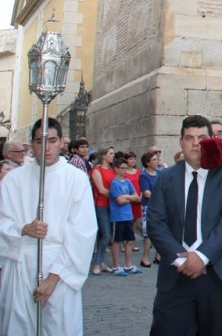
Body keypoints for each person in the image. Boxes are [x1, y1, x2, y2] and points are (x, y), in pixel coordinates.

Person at [148, 114, 222, 336]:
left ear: (211, 141)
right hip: (176, 275)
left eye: (202, 137)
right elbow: (156, 222)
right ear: (181, 142)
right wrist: (180, 259)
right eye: (189, 137)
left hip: (220, 275)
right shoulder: (166, 177)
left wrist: (202, 256)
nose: (196, 143)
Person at [0, 117, 97, 335]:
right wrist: (23, 229)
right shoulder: (13, 180)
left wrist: (54, 278)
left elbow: (83, 231)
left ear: (61, 142)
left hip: (60, 268)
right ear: (31, 144)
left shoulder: (76, 179)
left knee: (58, 328)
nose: (46, 147)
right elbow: (2, 220)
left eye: (52, 140)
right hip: (20, 265)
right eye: (39, 141)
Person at [109, 154, 142, 276]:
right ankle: (116, 266)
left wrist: (126, 197)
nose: (124, 170)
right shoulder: (115, 183)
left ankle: (128, 265)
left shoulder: (128, 181)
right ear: (116, 169)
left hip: (128, 215)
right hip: (118, 216)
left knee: (130, 241)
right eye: (122, 168)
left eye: (125, 168)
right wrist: (130, 197)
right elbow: (119, 201)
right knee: (117, 241)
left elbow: (137, 198)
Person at [90, 146, 116, 275]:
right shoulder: (97, 170)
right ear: (104, 155)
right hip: (101, 204)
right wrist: (117, 196)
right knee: (106, 234)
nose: (113, 155)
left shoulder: (111, 169)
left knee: (105, 234)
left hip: (111, 205)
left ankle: (101, 262)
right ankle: (97, 263)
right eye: (111, 153)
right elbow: (101, 189)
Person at [139, 149, 162, 268]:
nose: (156, 161)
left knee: (160, 230)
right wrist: (161, 194)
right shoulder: (144, 175)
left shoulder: (160, 173)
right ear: (147, 162)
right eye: (153, 160)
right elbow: (147, 193)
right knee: (147, 233)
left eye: (156, 159)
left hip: (159, 205)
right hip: (147, 206)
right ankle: (145, 257)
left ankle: (158, 256)